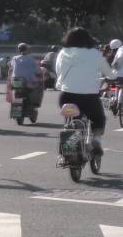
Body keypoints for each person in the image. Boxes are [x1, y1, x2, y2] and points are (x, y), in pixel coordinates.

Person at [56, 27, 115, 155]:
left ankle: (70, 141)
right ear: (88, 40)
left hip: (66, 96)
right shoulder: (95, 54)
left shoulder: (63, 53)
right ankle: (96, 140)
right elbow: (109, 74)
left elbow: (58, 71)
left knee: (72, 118)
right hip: (89, 98)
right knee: (99, 118)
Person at [8, 43, 43, 107]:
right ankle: (34, 105)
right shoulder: (32, 60)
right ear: (27, 50)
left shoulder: (15, 58)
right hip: (27, 83)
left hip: (16, 82)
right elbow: (37, 71)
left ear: (18, 50)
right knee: (37, 87)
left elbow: (11, 67)